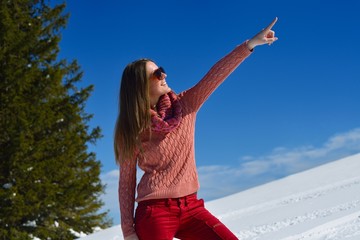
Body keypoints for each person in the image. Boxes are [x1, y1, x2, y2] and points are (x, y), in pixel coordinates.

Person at [114, 17, 278, 240]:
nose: (164, 75)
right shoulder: (132, 129)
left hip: (192, 207)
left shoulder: (185, 105)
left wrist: (249, 45)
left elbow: (214, 76)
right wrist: (128, 232)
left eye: (161, 70)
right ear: (140, 87)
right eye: (156, 73)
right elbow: (126, 183)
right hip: (154, 211)